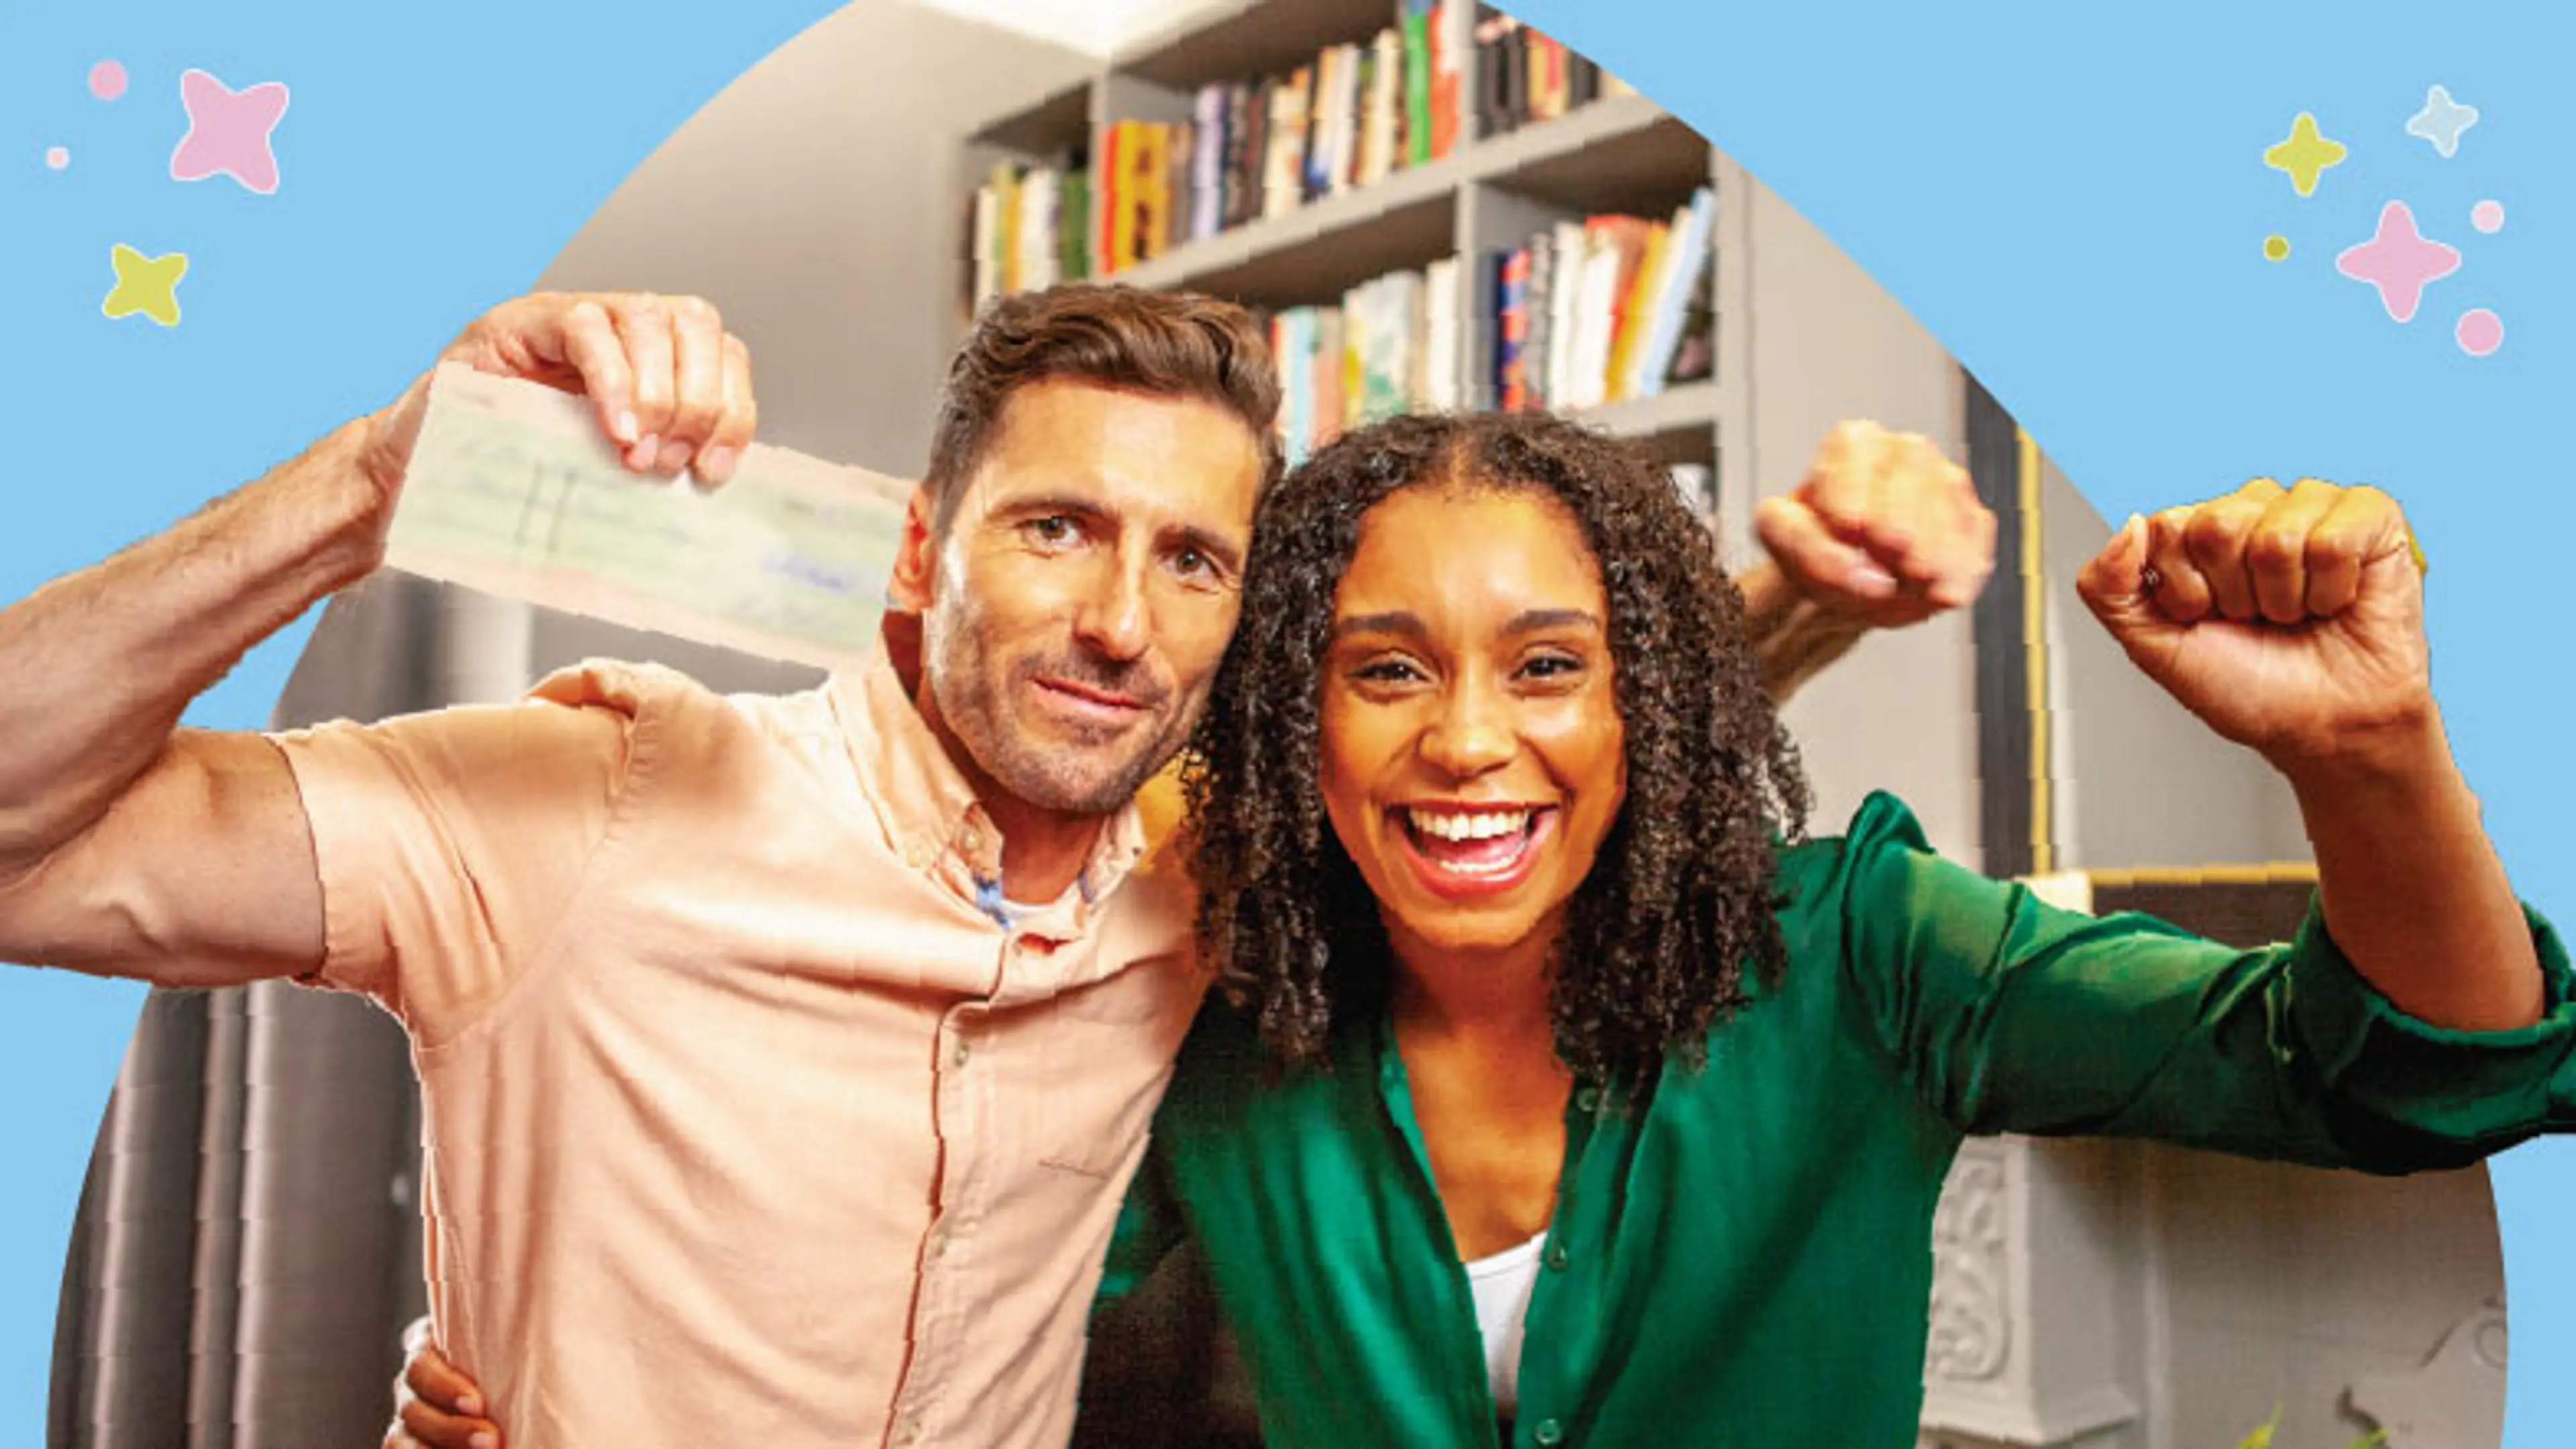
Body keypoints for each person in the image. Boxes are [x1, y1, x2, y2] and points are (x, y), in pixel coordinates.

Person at [0, 286, 1992, 1448]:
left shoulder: (1203, 879)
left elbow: (1497, 777)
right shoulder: (592, 800)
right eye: (1056, 530)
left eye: (1192, 560)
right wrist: (371, 484)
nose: (1120, 623)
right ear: (918, 545)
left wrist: (1804, 600)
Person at [390, 411, 2571, 1449]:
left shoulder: (1862, 953)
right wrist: (587, 1392)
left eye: (1549, 668)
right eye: (1381, 670)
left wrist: (2370, 754)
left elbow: (2415, 1074)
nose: (1464, 744)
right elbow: (928, 1296)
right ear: (1291, 721)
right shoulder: (1212, 1026)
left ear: (1650, 705)